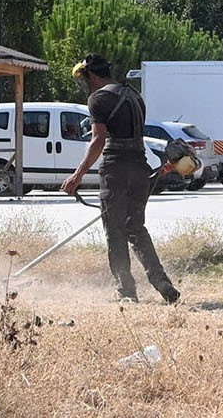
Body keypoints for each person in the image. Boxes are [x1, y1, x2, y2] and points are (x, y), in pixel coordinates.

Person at [59, 54, 181, 305]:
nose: (85, 85)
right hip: (139, 168)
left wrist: (78, 175)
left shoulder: (98, 98)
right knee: (136, 228)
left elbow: (98, 139)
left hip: (116, 170)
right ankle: (161, 282)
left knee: (115, 231)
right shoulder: (135, 96)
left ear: (91, 75)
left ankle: (126, 291)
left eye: (84, 79)